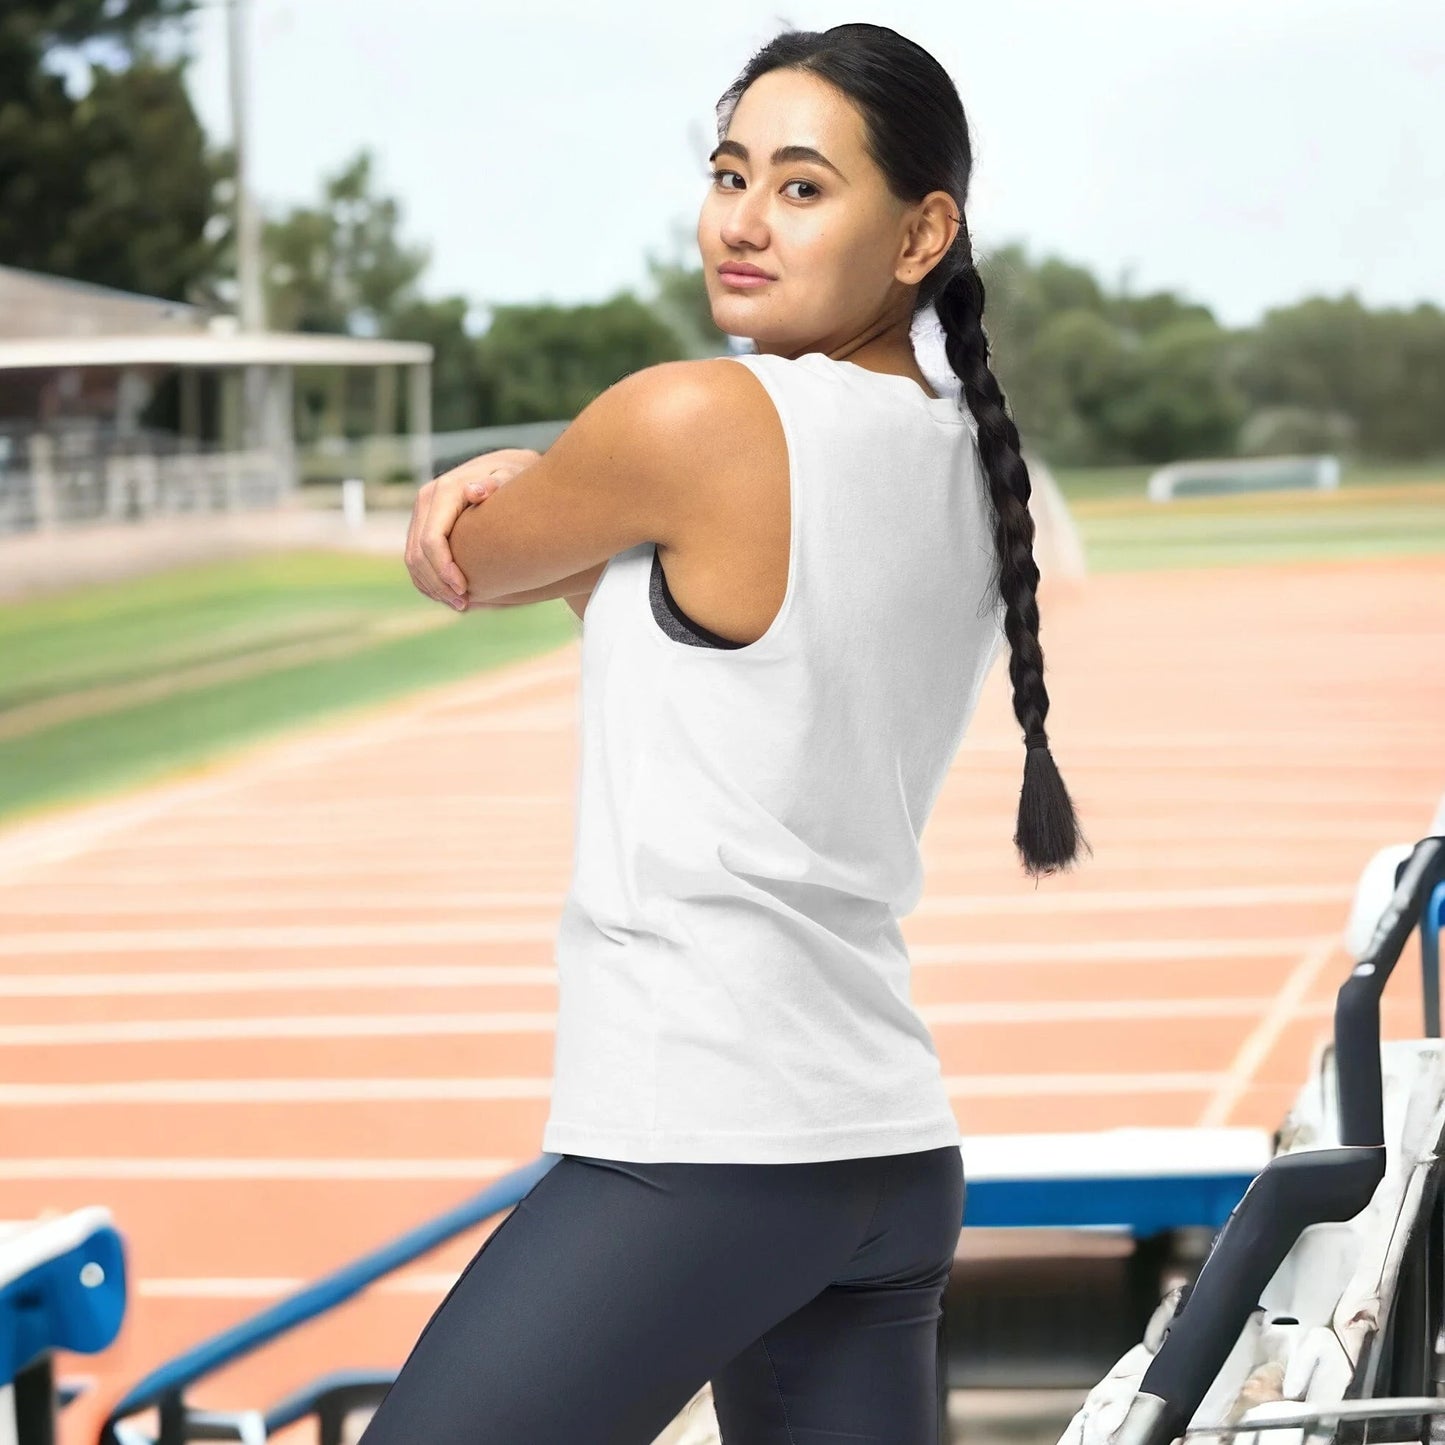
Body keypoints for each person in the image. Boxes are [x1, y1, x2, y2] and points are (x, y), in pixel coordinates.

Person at [376, 22, 1089, 1445]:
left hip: (700, 1147)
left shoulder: (696, 417)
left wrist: (520, 480)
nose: (743, 221)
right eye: (727, 171)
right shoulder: (978, 462)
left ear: (919, 231)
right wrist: (588, 509)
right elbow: (729, 660)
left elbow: (463, 560)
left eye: (803, 186)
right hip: (878, 1148)